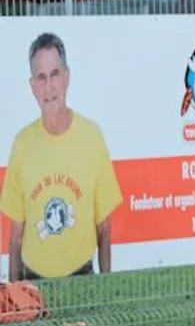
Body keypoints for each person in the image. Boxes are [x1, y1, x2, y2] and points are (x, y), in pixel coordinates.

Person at [4, 33, 120, 281]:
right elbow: (15, 237)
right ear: (32, 86)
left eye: (55, 74)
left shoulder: (91, 136)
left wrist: (106, 287)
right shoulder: (22, 144)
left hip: (82, 278)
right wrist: (14, 299)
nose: (49, 87)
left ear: (67, 78)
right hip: (34, 283)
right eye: (41, 78)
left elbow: (104, 228)